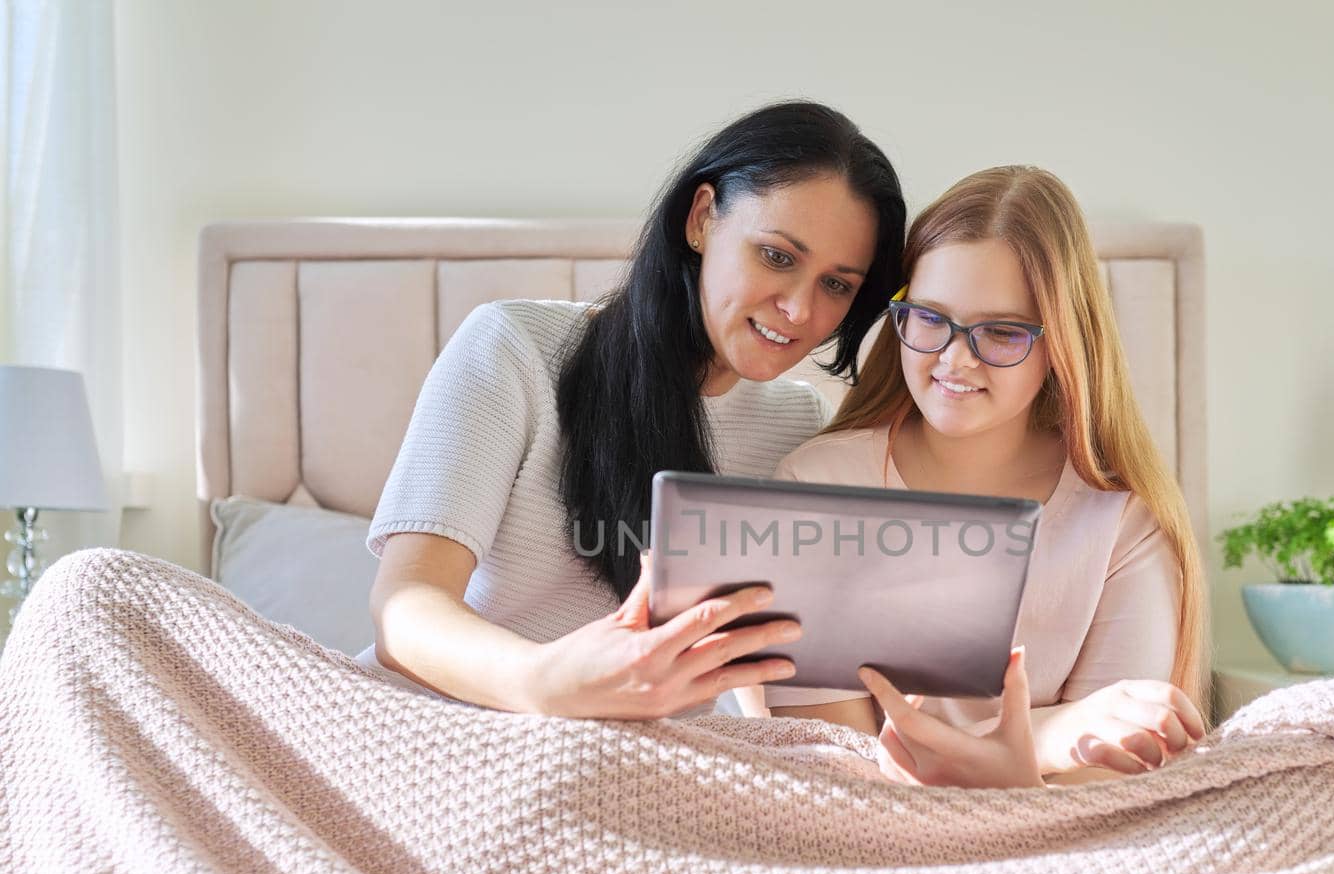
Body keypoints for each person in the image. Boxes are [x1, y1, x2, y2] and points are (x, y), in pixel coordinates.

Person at [358, 101, 906, 720]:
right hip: (442, 731)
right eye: (777, 256)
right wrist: (544, 683)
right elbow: (404, 607)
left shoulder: (799, 428)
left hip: (635, 778)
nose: (801, 312)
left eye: (836, 285)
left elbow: (764, 679)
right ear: (701, 219)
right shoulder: (515, 347)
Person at [748, 166, 1209, 787]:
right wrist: (1047, 736)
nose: (954, 359)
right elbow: (832, 767)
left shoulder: (1124, 521)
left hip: (1053, 851)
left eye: (1001, 331)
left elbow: (1107, 788)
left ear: (1062, 347)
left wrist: (1032, 763)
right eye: (930, 318)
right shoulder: (818, 483)